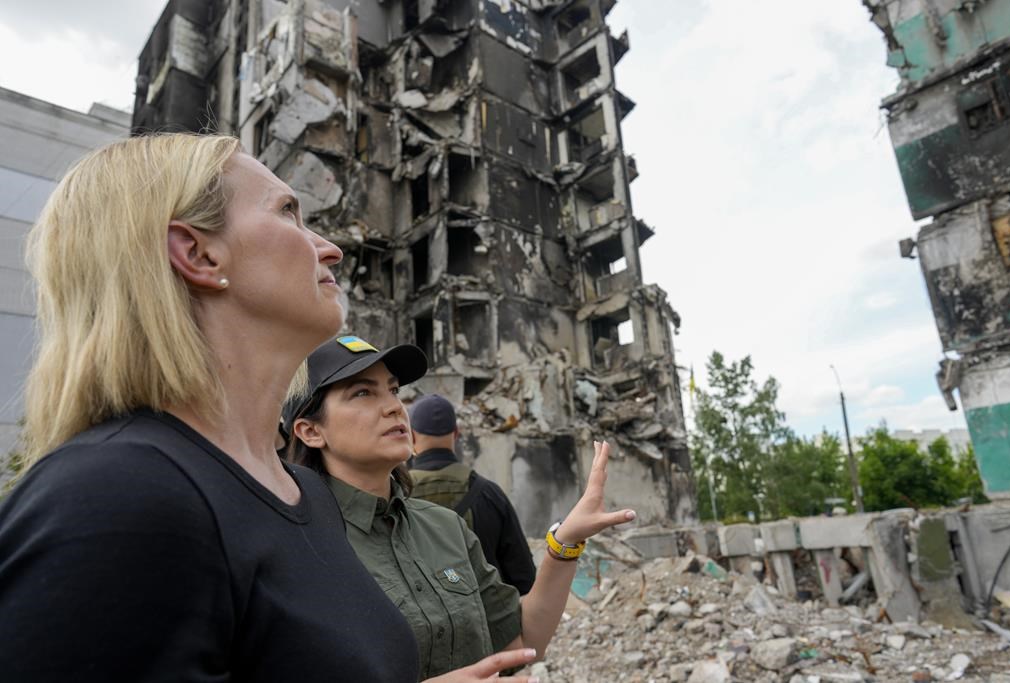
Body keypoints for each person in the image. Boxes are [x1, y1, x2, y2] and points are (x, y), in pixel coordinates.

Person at [0, 133, 537, 682]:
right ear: (198, 254)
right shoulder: (115, 499)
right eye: (288, 213)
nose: (331, 247)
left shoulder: (303, 496)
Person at [284, 335, 637, 681]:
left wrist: (565, 543)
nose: (394, 407)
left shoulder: (444, 527)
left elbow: (521, 641)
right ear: (311, 431)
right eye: (362, 393)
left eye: (393, 390)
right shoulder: (296, 547)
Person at [408, 393, 536, 594]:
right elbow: (524, 578)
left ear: (411, 436)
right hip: (484, 622)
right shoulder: (489, 494)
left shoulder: (396, 496)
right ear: (457, 433)